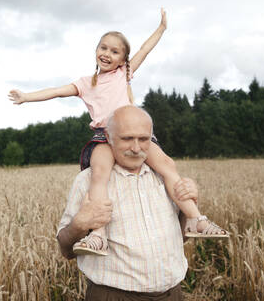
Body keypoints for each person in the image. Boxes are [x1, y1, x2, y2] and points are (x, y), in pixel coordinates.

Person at [9, 9, 228, 256]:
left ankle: (195, 219)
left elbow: (145, 49)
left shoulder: (123, 74)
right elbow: (57, 91)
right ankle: (99, 235)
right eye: (103, 48)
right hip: (104, 135)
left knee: (167, 164)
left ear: (123, 60)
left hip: (132, 130)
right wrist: (26, 97)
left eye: (114, 51)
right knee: (99, 174)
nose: (107, 54)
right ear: (96, 51)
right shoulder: (85, 83)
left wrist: (162, 28)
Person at [57, 105, 208, 300]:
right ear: (109, 139)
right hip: (113, 296)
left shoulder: (165, 178)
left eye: (143, 139)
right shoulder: (88, 181)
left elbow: (180, 238)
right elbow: (66, 250)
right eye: (127, 139)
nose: (136, 148)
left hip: (173, 294)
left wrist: (190, 207)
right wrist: (79, 224)